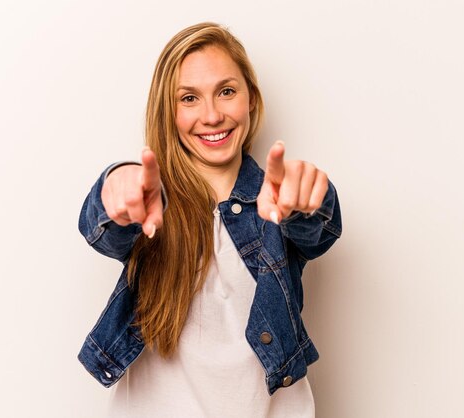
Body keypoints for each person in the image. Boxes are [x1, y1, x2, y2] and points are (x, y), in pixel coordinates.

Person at [77, 22, 342, 417]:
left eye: (227, 91)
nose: (212, 115)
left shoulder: (277, 198)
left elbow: (318, 228)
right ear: (169, 111)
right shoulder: (152, 202)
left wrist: (311, 200)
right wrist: (116, 187)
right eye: (189, 98)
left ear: (251, 97)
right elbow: (104, 227)